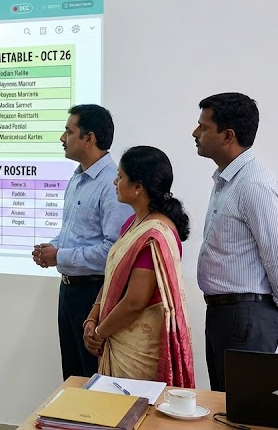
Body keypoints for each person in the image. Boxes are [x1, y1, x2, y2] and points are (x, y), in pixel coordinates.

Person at [193, 92, 278, 391]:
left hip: (245, 316)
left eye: (204, 127)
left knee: (243, 409)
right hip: (227, 313)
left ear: (228, 135)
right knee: (224, 406)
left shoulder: (254, 184)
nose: (195, 133)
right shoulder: (227, 180)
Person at [32, 104, 132, 380]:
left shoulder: (113, 184)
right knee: (73, 378)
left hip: (94, 294)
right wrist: (51, 248)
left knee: (94, 379)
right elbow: (73, 234)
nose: (62, 138)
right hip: (69, 292)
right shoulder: (78, 178)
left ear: (89, 138)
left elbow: (114, 251)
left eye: (69, 131)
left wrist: (60, 256)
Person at [82, 146, 195, 387]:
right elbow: (112, 278)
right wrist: (92, 318)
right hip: (115, 332)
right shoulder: (132, 224)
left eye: (120, 176)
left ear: (137, 187)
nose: (115, 181)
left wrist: (100, 333)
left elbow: (135, 301)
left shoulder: (155, 234)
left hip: (137, 350)